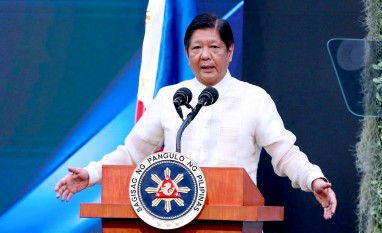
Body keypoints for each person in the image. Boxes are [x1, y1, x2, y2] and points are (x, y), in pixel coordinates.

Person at [55, 13, 336, 220]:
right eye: (197, 48)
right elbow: (132, 153)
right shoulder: (169, 98)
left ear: (230, 51)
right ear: (187, 55)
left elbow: (286, 154)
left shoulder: (254, 99)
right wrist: (91, 174)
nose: (205, 56)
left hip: (235, 229)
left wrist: (313, 179)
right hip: (173, 227)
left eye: (214, 47)